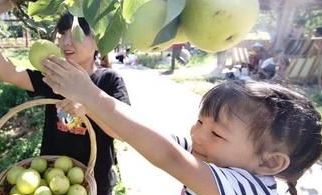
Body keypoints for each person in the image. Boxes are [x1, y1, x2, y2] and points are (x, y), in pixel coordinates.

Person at [42, 58, 322, 195]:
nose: (196, 133)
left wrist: (92, 95)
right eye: (201, 121)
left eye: (216, 132)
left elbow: (168, 156)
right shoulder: (210, 152)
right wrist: (90, 107)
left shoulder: (249, 187)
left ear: (270, 162)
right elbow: (139, 132)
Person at [0, 11, 130, 195]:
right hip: (48, 179)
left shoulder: (110, 80)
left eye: (76, 34)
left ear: (97, 41)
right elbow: (8, 72)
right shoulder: (55, 77)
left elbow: (122, 133)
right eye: (63, 34)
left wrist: (88, 109)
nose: (66, 42)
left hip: (95, 182)